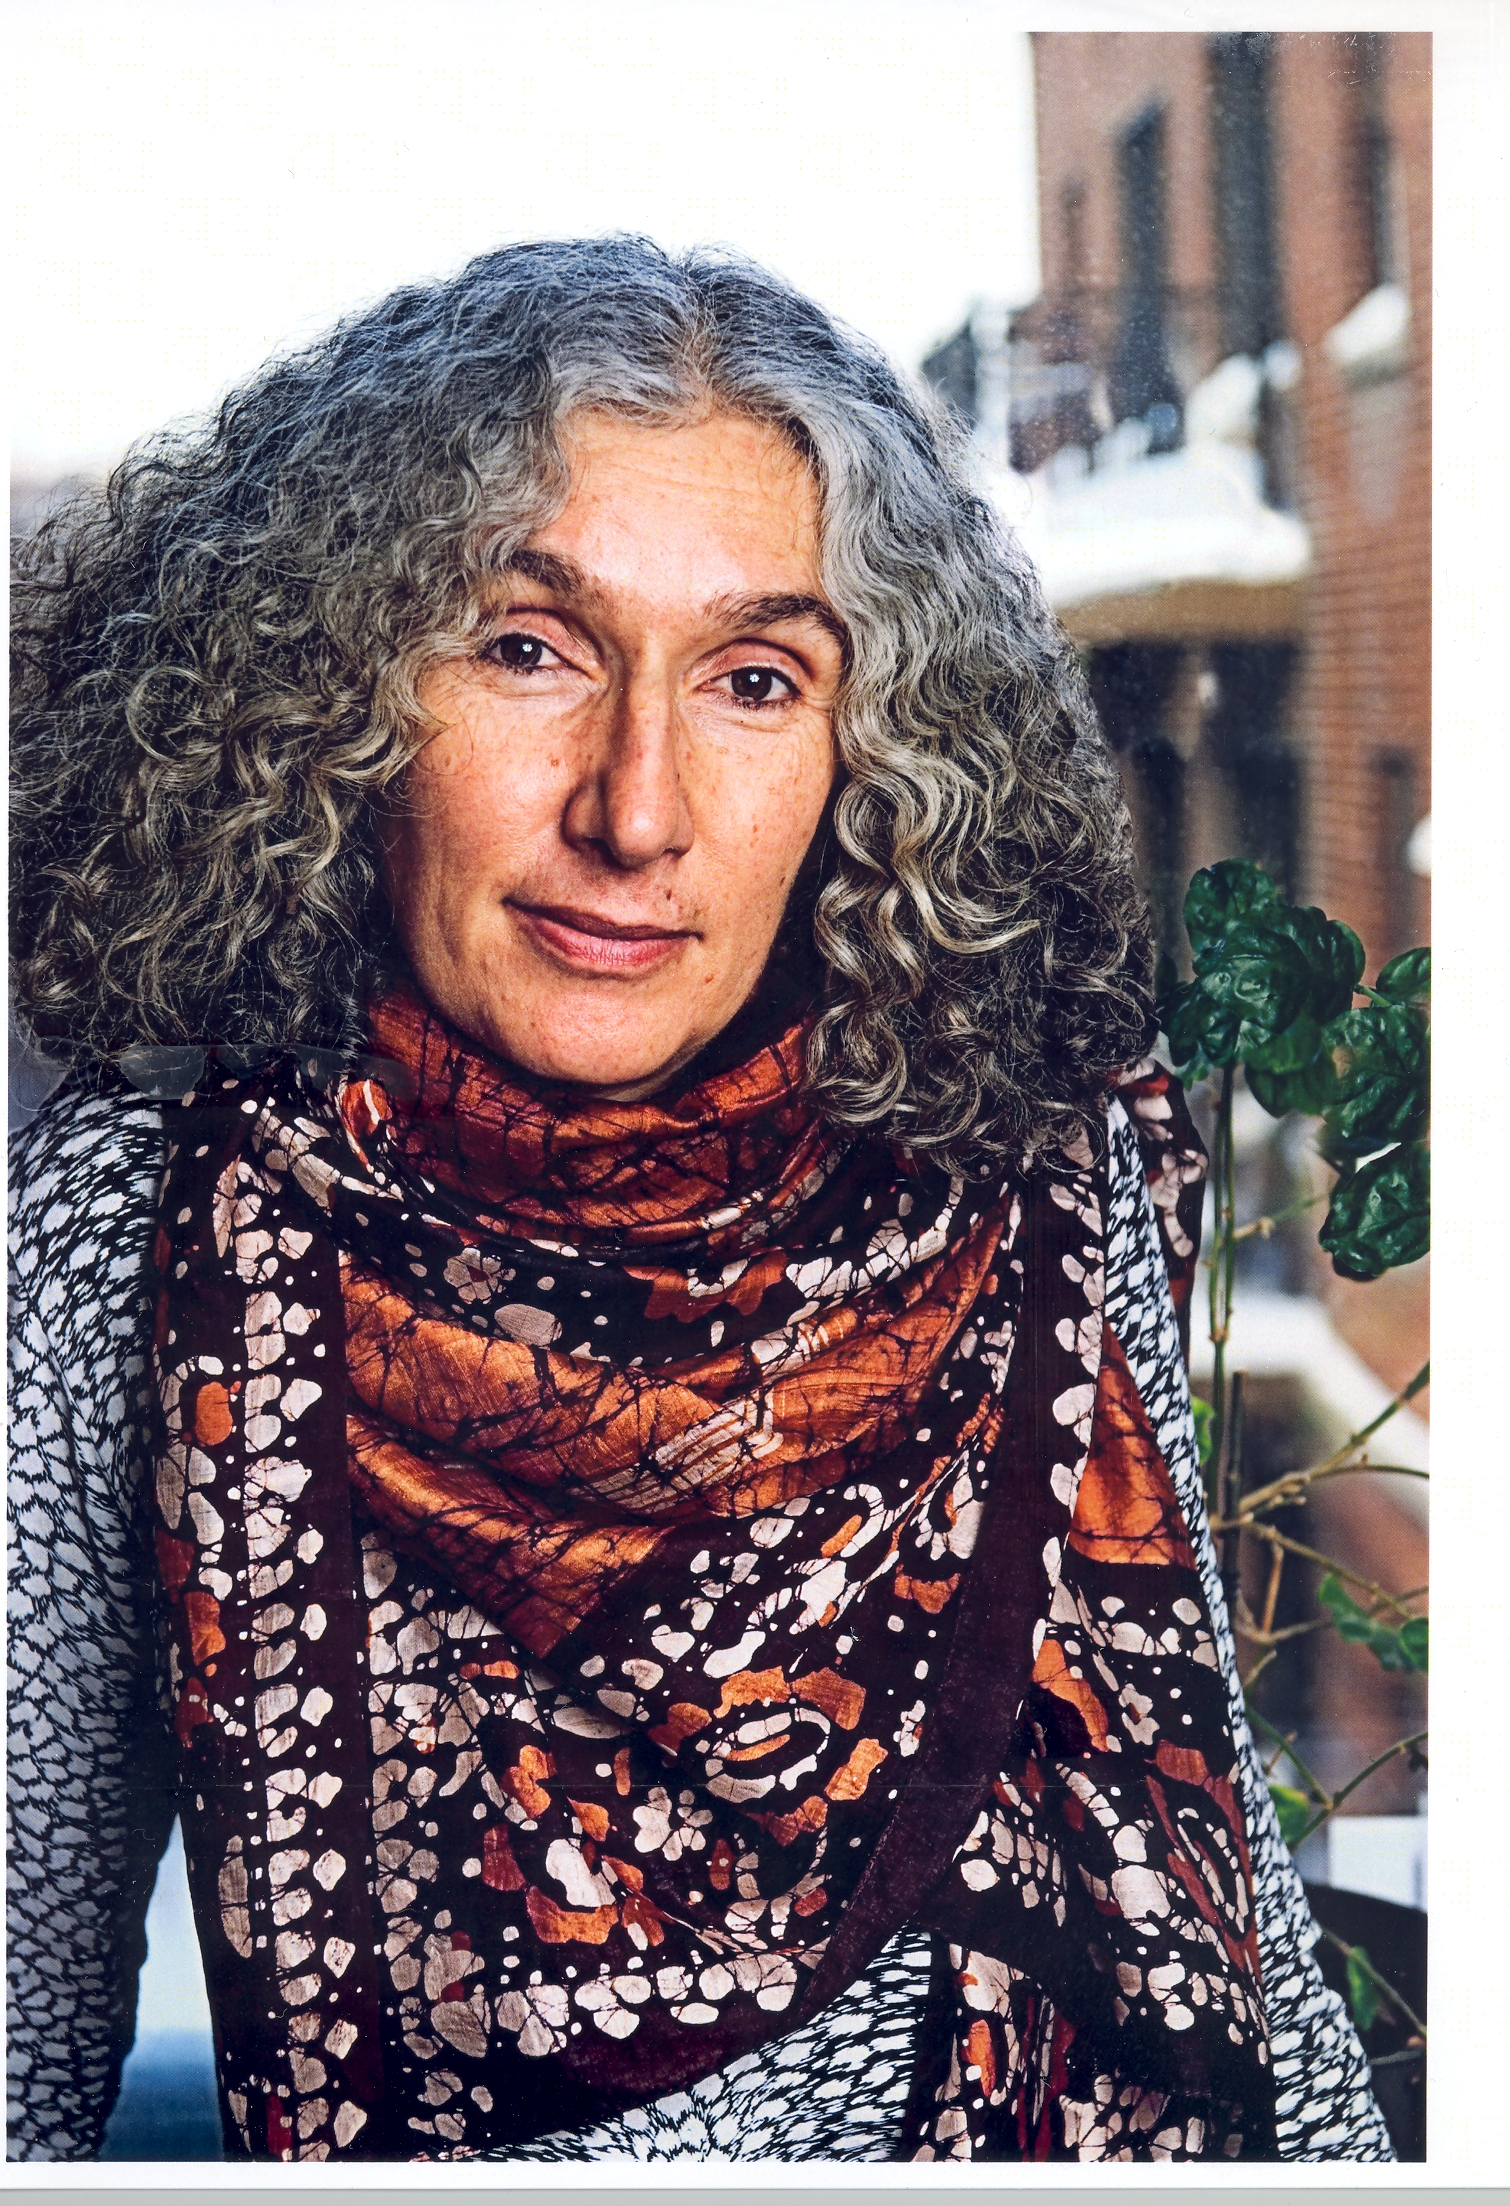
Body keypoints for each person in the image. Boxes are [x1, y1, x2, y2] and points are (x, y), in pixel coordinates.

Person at [8, 237, 1390, 2165]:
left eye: (754, 678)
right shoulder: (148, 1226)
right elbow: (19, 2020)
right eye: (529, 646)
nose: (637, 807)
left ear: (866, 755)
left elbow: (1237, 1919)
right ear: (321, 700)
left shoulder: (1029, 1188)